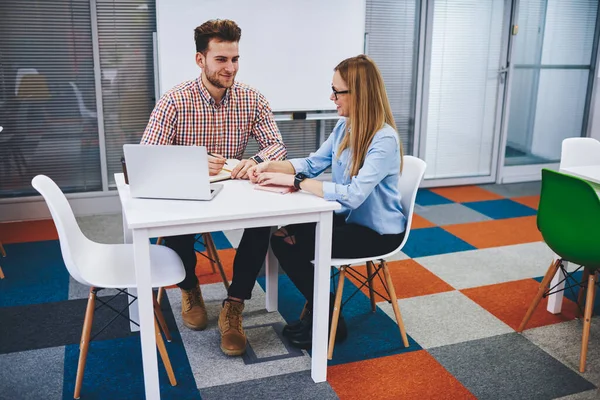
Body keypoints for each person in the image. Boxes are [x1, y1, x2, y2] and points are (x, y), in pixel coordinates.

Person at [140, 19, 286, 356]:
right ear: (200, 59)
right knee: (173, 222)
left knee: (264, 221)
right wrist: (188, 163)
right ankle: (189, 288)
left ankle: (234, 305)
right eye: (221, 59)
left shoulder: (252, 98)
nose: (230, 68)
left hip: (234, 194)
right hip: (190, 196)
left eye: (235, 59)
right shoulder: (175, 101)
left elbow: (277, 145)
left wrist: (258, 160)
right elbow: (146, 158)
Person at [248, 55, 406, 349]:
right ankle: (325, 306)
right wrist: (269, 165)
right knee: (283, 237)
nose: (331, 97)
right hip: (349, 218)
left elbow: (355, 194)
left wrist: (296, 183)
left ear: (358, 94)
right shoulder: (344, 126)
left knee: (299, 243)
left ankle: (328, 316)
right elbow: (312, 162)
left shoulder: (384, 139)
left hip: (377, 233)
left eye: (337, 91)